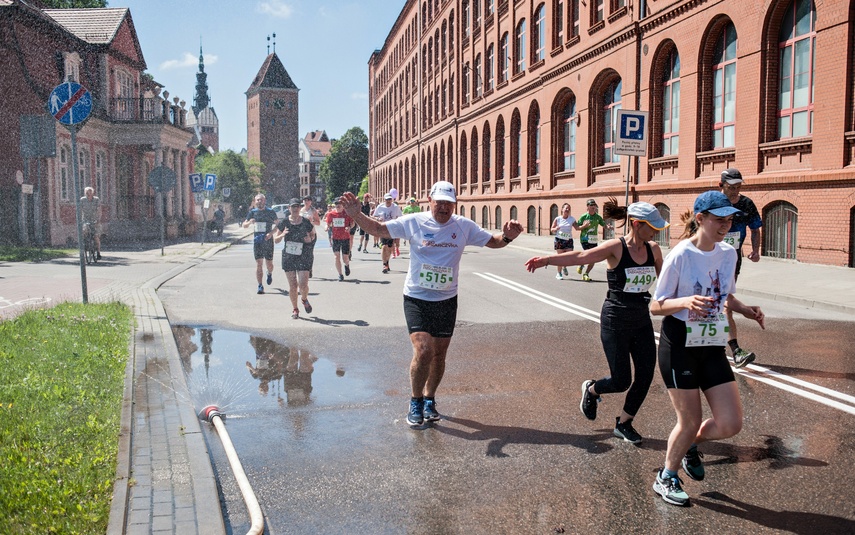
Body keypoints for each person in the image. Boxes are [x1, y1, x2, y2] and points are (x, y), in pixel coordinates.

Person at [340, 181, 524, 427]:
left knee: (439, 356)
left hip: (447, 299)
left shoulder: (463, 226)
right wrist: (356, 215)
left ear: (454, 204)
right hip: (417, 297)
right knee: (424, 350)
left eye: (449, 203)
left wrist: (508, 237)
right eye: (440, 203)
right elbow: (379, 228)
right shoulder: (414, 221)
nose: (444, 208)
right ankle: (415, 400)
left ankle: (429, 398)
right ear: (430, 200)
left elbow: (494, 240)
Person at [650, 190, 765, 506]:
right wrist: (685, 301)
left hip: (712, 343)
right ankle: (666, 477)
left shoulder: (728, 254)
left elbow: (724, 295)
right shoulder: (680, 255)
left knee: (731, 423)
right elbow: (655, 306)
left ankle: (688, 444)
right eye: (719, 219)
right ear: (700, 219)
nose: (726, 225)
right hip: (680, 343)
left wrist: (745, 309)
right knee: (688, 420)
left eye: (729, 219)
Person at [526, 201, 666, 444]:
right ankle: (592, 389)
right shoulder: (616, 247)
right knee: (621, 381)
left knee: (645, 376)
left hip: (641, 320)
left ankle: (624, 423)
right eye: (652, 226)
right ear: (636, 224)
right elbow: (581, 255)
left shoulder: (654, 250)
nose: (656, 231)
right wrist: (547, 260)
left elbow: (666, 280)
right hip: (615, 320)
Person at [719, 169, 764, 368]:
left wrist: (755, 250)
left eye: (739, 187)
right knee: (711, 302)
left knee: (725, 302)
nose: (736, 191)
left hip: (732, 260)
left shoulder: (746, 204)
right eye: (731, 187)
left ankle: (734, 350)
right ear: (721, 186)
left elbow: (755, 228)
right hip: (709, 257)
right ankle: (720, 346)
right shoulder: (714, 203)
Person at [274, 198, 316, 319]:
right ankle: (295, 309)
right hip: (289, 256)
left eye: (297, 206)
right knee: (293, 286)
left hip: (303, 256)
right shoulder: (284, 222)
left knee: (303, 285)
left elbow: (313, 234)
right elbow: (276, 240)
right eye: (293, 206)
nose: (295, 208)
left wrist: (310, 239)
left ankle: (304, 299)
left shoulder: (305, 221)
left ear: (299, 208)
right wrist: (282, 234)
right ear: (289, 208)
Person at [242, 193, 279, 294]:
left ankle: (269, 273)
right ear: (255, 202)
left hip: (268, 240)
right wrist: (249, 222)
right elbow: (244, 225)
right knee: (259, 263)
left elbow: (278, 225)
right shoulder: (252, 212)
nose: (259, 202)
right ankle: (260, 285)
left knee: (269, 263)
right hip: (257, 241)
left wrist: (271, 233)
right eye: (257, 200)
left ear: (264, 201)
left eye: (261, 200)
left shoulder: (270, 212)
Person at [323, 198, 355, 281]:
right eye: (336, 203)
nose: (338, 205)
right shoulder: (331, 214)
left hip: (345, 238)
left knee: (345, 258)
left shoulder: (347, 213)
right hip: (335, 238)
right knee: (336, 256)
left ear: (343, 205)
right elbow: (328, 223)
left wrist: (349, 227)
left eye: (340, 203)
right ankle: (340, 274)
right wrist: (326, 227)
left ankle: (347, 265)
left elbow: (352, 223)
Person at [373, 193, 403, 273]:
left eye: (390, 199)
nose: (389, 201)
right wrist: (378, 218)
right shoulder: (380, 207)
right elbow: (373, 216)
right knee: (384, 246)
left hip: (392, 229)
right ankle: (384, 264)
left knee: (389, 247)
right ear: (384, 200)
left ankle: (387, 262)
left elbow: (400, 217)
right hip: (383, 228)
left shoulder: (395, 207)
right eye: (387, 199)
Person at [549, 203, 581, 280]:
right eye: (566, 208)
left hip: (568, 240)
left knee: (568, 256)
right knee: (560, 258)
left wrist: (585, 226)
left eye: (569, 208)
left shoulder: (572, 219)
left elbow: (577, 228)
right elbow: (552, 229)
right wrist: (555, 229)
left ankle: (564, 266)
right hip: (559, 240)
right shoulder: (558, 219)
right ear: (562, 209)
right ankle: (559, 273)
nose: (567, 210)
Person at [300, 195, 321, 278]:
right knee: (302, 252)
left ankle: (309, 268)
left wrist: (311, 220)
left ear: (311, 202)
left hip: (311, 234)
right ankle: (304, 268)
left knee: (309, 252)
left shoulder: (313, 211)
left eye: (308, 200)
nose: (306, 201)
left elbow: (318, 222)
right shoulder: (300, 211)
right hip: (302, 234)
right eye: (305, 200)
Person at [80, 186, 102, 259]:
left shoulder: (96, 199)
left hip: (95, 220)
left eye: (89, 193)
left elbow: (99, 210)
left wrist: (98, 219)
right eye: (86, 193)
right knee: (84, 231)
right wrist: (79, 219)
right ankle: (85, 245)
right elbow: (80, 210)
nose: (88, 194)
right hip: (85, 219)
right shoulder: (82, 200)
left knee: (96, 236)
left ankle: (98, 252)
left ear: (92, 193)